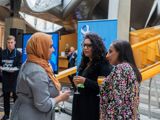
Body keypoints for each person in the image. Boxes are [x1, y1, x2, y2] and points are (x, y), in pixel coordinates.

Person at [10, 32, 70, 120]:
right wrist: (60, 98)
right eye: (50, 46)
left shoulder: (31, 62)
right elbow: (43, 105)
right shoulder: (37, 71)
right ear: (40, 48)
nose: (53, 50)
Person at [72, 33, 112, 120]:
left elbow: (105, 87)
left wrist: (85, 81)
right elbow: (82, 86)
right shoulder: (85, 61)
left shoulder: (103, 64)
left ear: (96, 47)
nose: (85, 48)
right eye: (84, 45)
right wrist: (77, 84)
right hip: (81, 104)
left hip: (92, 107)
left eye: (89, 45)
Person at [100, 40, 142, 120]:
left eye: (110, 52)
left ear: (120, 52)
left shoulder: (121, 68)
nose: (107, 56)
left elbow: (116, 102)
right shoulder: (131, 69)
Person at [0, 36, 22, 120]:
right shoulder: (2, 53)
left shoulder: (18, 54)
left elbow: (19, 67)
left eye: (11, 42)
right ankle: (6, 115)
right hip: (5, 79)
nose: (10, 44)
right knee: (6, 98)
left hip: (15, 79)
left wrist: (8, 69)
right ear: (7, 43)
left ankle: (15, 115)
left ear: (15, 42)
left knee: (16, 98)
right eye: (8, 43)